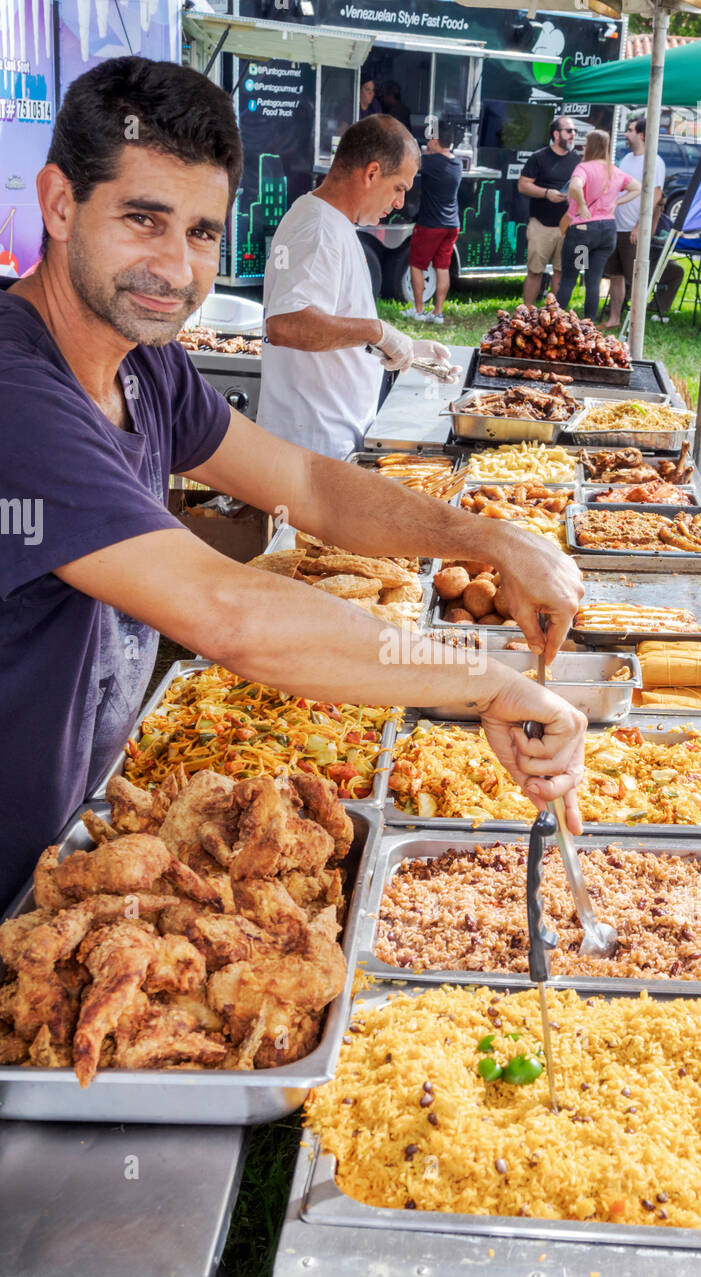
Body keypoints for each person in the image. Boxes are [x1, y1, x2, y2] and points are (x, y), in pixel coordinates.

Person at [0, 57, 587, 911]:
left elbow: (306, 486)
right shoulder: (18, 396)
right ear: (59, 204)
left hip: (61, 844)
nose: (174, 266)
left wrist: (488, 540)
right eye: (142, 220)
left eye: (201, 233)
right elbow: (227, 613)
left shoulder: (145, 368)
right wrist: (484, 681)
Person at [257, 117, 449, 459]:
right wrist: (377, 331)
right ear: (372, 173)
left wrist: (407, 350)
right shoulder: (318, 229)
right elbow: (285, 324)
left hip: (328, 441)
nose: (400, 203)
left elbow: (336, 325)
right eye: (399, 188)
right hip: (313, 446)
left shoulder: (330, 222)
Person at [555, 129, 639, 321]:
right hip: (607, 232)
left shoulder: (583, 168)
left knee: (569, 278)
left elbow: (575, 186)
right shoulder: (614, 170)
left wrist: (583, 205)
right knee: (594, 280)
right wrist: (616, 202)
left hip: (584, 233)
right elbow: (637, 188)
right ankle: (589, 324)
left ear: (590, 146)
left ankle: (554, 323)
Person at [603, 116, 666, 330]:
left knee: (636, 278)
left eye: (629, 130)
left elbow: (656, 196)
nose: (626, 134)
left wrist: (640, 225)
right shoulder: (627, 159)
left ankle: (635, 324)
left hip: (634, 229)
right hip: (617, 226)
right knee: (615, 275)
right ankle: (614, 318)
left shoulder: (654, 161)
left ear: (641, 134)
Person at [402, 119, 462, 325]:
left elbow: (408, 161)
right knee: (442, 268)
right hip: (452, 224)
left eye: (429, 140)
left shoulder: (431, 162)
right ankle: (437, 313)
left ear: (435, 141)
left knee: (417, 265)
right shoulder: (457, 162)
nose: (427, 143)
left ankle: (418, 310)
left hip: (430, 224)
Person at [517, 116, 580, 307]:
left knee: (561, 272)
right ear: (556, 134)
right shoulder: (539, 157)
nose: (573, 135)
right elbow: (523, 185)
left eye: (574, 131)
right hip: (541, 224)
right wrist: (546, 193)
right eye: (569, 131)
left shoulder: (577, 160)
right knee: (535, 271)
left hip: (567, 225)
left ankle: (554, 316)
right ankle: (527, 313)